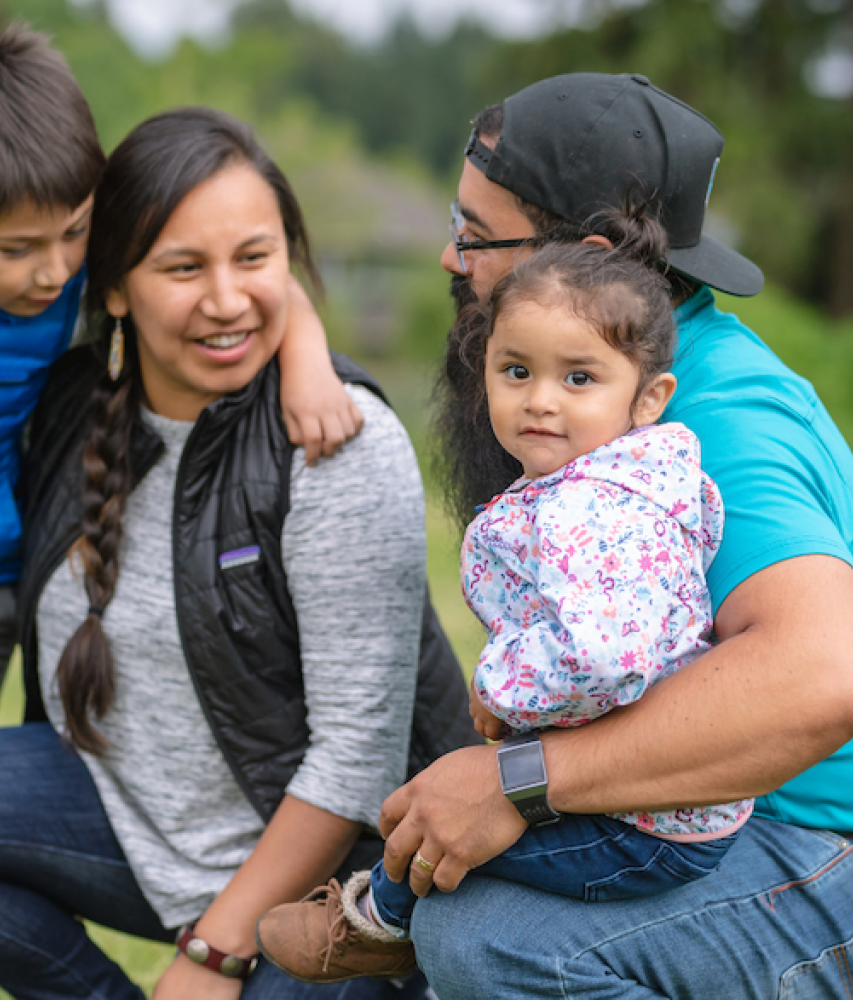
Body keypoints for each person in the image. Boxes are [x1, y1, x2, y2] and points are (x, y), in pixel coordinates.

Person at [0, 105, 476, 1000]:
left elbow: (356, 767)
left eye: (253, 259)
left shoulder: (337, 443)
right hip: (133, 827)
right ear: (113, 286)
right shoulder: (61, 406)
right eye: (182, 267)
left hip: (338, 881)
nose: (224, 299)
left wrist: (214, 954)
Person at [376, 73, 853, 999]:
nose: (453, 260)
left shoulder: (720, 413)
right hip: (702, 828)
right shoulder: (594, 389)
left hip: (847, 861)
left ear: (589, 252)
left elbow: (827, 679)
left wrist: (521, 782)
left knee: (489, 940)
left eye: (474, 235)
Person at [257, 239, 754, 982]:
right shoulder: (636, 480)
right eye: (516, 372)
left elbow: (604, 659)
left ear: (647, 398)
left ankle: (378, 920)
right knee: (456, 807)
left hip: (640, 824)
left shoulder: (589, 508)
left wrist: (501, 683)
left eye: (578, 378)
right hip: (664, 797)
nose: (541, 399)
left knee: (443, 835)